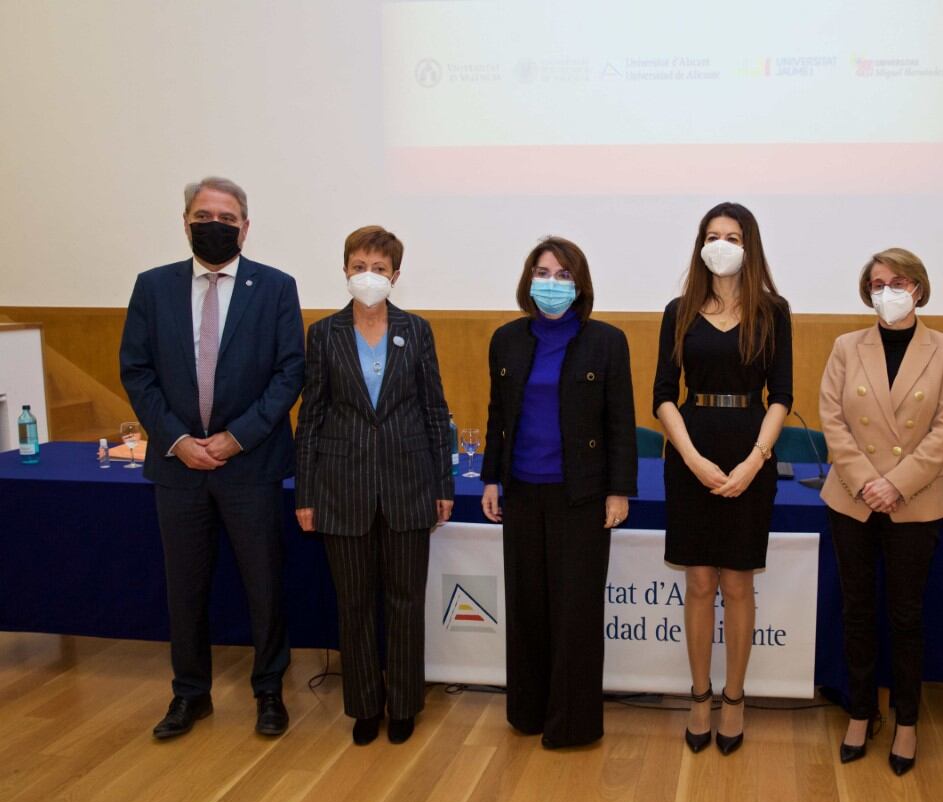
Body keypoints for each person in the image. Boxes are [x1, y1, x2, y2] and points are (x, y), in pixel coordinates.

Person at [120, 177, 304, 739]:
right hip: (179, 466)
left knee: (264, 585)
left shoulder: (274, 287)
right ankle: (189, 695)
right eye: (204, 215)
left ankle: (269, 691)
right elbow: (137, 371)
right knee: (184, 586)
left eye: (227, 217)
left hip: (250, 464)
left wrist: (235, 437)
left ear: (245, 227)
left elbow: (289, 372)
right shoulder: (152, 288)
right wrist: (177, 440)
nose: (215, 225)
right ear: (185, 221)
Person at [294, 226, 454, 745]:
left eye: (379, 269)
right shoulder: (323, 334)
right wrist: (306, 494)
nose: (368, 276)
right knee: (355, 602)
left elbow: (434, 410)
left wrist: (443, 484)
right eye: (359, 266)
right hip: (342, 488)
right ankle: (365, 705)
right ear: (345, 270)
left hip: (409, 485)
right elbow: (311, 417)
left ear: (395, 276)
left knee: (407, 600)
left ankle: (405, 703)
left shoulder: (417, 329)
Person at [480, 236, 637, 748]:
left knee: (576, 613)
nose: (551, 283)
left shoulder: (606, 341)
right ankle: (527, 713)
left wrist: (619, 491)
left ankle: (572, 725)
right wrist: (490, 478)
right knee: (527, 608)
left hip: (582, 496)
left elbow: (621, 422)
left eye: (563, 275)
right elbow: (497, 414)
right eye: (542, 273)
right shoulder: (506, 338)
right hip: (521, 490)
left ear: (581, 284)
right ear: (528, 280)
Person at [818, 249, 943, 775]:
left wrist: (895, 485)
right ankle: (861, 712)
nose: (888, 290)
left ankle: (907, 721)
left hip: (916, 501)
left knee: (906, 617)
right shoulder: (846, 346)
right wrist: (867, 483)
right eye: (877, 282)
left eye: (898, 281)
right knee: (856, 611)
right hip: (852, 499)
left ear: (919, 288)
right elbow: (832, 420)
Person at [653, 202, 793, 755]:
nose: (721, 244)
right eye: (712, 235)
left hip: (749, 451)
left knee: (737, 584)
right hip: (691, 449)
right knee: (698, 583)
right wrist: (689, 456)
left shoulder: (773, 311)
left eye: (732, 236)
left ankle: (734, 698)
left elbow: (781, 395)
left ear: (749, 244)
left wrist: (756, 460)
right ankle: (699, 695)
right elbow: (663, 394)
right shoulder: (679, 308)